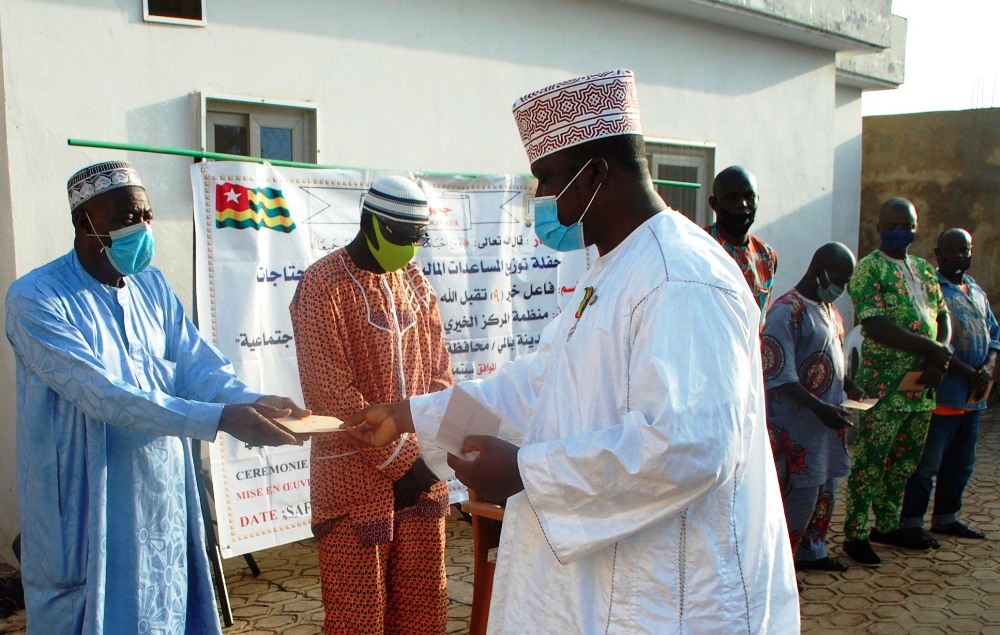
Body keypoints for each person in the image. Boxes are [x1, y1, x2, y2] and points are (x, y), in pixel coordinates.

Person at [342, 69, 799, 633]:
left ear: (596, 174)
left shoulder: (680, 276)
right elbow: (541, 385)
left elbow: (691, 445)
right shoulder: (612, 268)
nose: (540, 197)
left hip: (675, 597)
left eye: (547, 178)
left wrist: (526, 472)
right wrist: (411, 415)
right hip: (605, 584)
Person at [4, 160, 309, 634]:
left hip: (159, 491)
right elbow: (103, 394)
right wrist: (222, 418)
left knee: (164, 610)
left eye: (145, 216)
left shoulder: (152, 285)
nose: (141, 228)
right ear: (84, 224)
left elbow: (196, 366)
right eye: (124, 219)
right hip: (88, 501)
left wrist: (250, 401)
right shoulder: (36, 298)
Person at [289, 176, 453, 634]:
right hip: (353, 482)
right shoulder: (322, 284)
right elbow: (331, 395)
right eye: (398, 238)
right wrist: (406, 466)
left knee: (423, 615)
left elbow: (440, 377)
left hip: (422, 482)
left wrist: (427, 469)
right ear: (369, 222)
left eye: (415, 239)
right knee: (356, 619)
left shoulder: (417, 284)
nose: (407, 249)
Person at [842, 197, 952, 567]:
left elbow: (943, 315)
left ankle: (887, 525)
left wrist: (941, 354)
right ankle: (855, 532)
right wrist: (932, 348)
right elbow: (874, 324)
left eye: (905, 226)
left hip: (921, 384)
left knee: (904, 458)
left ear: (916, 228)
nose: (898, 232)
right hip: (884, 385)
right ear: (878, 229)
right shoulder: (868, 269)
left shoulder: (924, 269)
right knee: (872, 459)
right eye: (890, 226)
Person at [762, 242, 860, 574]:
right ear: (820, 269)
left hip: (826, 426)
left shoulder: (829, 310)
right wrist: (819, 409)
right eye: (840, 279)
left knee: (824, 493)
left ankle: (812, 554)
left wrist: (850, 386)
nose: (841, 288)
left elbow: (834, 361)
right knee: (798, 501)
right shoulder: (786, 311)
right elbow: (779, 373)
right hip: (797, 427)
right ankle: (780, 570)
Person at [900, 228, 998, 542]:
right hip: (943, 394)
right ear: (938, 253)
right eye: (951, 250)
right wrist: (970, 372)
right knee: (927, 464)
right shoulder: (931, 290)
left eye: (963, 250)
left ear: (971, 253)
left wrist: (987, 367)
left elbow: (994, 335)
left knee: (961, 462)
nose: (958, 256)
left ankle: (946, 518)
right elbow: (932, 341)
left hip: (972, 398)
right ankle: (912, 523)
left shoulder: (975, 290)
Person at [706, 165, 778, 324]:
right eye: (731, 197)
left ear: (758, 199)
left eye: (749, 196)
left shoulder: (766, 256)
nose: (742, 204)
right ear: (714, 203)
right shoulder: (699, 247)